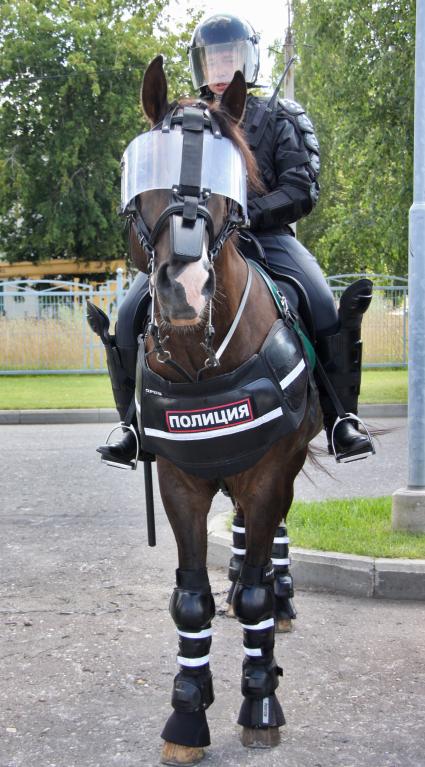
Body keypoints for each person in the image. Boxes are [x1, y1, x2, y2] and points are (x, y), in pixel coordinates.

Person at [95, 12, 374, 467]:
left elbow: (302, 188)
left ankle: (343, 419)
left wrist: (247, 215)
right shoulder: (184, 123)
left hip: (266, 237)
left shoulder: (283, 116)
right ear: (200, 65)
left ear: (248, 59)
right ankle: (131, 424)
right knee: (128, 314)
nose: (221, 67)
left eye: (229, 56)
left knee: (322, 304)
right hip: (199, 240)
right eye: (213, 58)